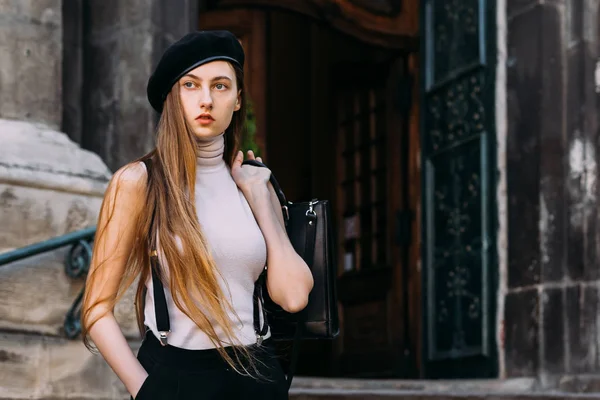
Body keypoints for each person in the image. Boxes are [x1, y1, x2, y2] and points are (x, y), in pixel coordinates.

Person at [80, 30, 314, 399]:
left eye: (221, 86)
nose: (206, 99)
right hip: (177, 375)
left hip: (258, 372)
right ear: (173, 97)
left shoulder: (252, 181)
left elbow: (294, 298)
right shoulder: (139, 182)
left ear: (238, 100)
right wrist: (144, 389)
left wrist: (259, 197)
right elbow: (95, 308)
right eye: (191, 85)